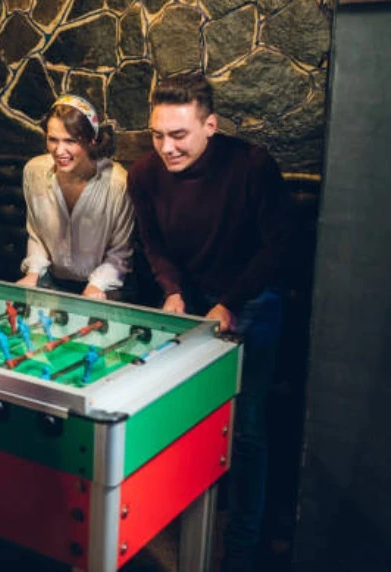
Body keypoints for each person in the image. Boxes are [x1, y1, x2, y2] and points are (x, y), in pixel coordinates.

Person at [126, 73, 296, 572]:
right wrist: (172, 290)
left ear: (211, 125)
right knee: (182, 417)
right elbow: (153, 244)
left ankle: (241, 545)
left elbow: (279, 246)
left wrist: (231, 302)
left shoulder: (252, 166)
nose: (166, 147)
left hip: (253, 298)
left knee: (246, 428)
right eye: (158, 135)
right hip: (193, 297)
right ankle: (181, 521)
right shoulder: (143, 173)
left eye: (179, 135)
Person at [17, 94, 135, 300]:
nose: (59, 150)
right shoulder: (33, 172)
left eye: (70, 141)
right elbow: (36, 234)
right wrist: (33, 272)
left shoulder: (119, 184)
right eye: (53, 139)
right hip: (49, 281)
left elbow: (120, 253)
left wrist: (96, 286)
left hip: (104, 287)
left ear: (92, 140)